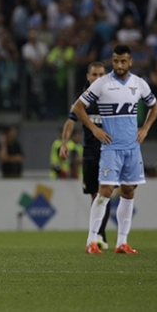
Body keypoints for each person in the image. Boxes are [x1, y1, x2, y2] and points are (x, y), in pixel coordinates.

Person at [73, 44, 157, 255]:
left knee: (129, 192)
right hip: (111, 149)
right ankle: (91, 240)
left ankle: (122, 242)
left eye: (123, 61)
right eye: (115, 61)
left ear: (130, 62)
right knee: (105, 192)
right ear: (112, 61)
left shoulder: (139, 84)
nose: (119, 65)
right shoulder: (102, 84)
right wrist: (94, 129)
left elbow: (155, 106)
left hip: (132, 148)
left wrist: (146, 128)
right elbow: (77, 107)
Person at [59, 61, 109, 248]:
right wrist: (65, 142)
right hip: (89, 153)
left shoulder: (112, 98)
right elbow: (71, 121)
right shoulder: (83, 100)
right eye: (94, 75)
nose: (97, 78)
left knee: (105, 192)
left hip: (108, 152)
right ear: (88, 77)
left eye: (101, 75)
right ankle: (98, 235)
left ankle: (99, 236)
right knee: (95, 195)